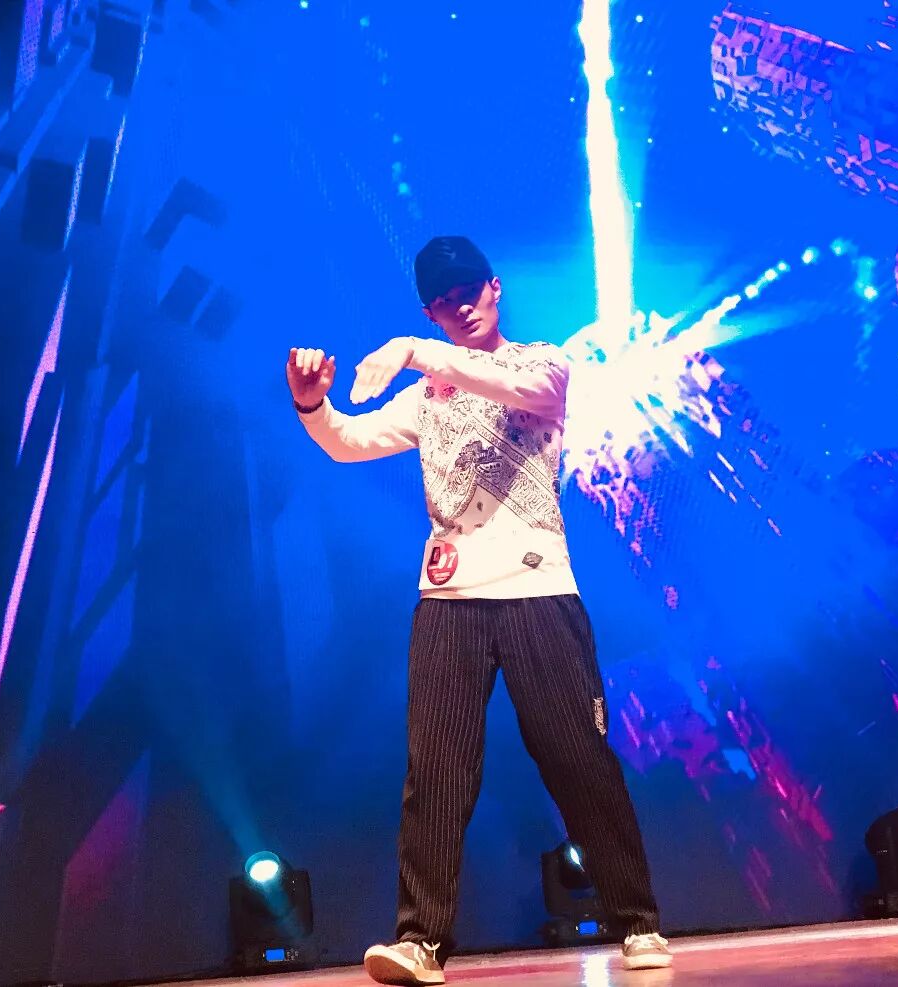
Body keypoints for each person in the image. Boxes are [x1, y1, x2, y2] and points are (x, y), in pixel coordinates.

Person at [285, 236, 670, 985]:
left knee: (578, 760)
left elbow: (513, 387)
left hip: (538, 592)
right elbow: (349, 441)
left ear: (495, 289)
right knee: (436, 772)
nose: (459, 306)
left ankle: (638, 920)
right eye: (441, 300)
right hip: (449, 601)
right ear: (430, 309)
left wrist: (414, 350)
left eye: (469, 290)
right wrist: (312, 403)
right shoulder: (428, 393)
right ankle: (420, 940)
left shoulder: (541, 363)